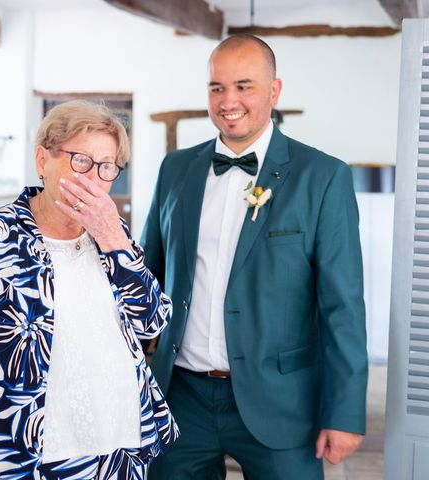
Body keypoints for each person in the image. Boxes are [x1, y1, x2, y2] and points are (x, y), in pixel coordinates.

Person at [143, 34, 367, 479]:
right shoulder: (175, 169)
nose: (229, 101)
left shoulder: (323, 177)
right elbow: (148, 278)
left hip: (283, 402)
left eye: (244, 86)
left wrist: (344, 411)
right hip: (180, 399)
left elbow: (343, 304)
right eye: (217, 87)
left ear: (274, 90)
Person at [0, 100, 179, 479]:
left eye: (106, 167)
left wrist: (113, 239)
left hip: (120, 442)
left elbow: (152, 323)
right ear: (42, 160)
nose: (93, 180)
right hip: (31, 449)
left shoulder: (113, 233)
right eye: (81, 160)